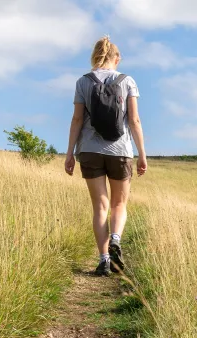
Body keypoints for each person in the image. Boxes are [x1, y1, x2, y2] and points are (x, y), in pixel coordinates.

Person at [64, 36, 147, 276]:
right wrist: (141, 154)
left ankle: (103, 261)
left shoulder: (83, 82)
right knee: (119, 203)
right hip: (120, 150)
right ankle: (116, 239)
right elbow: (134, 120)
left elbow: (77, 119)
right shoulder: (127, 80)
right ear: (117, 59)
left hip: (89, 150)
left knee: (100, 207)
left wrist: (70, 153)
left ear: (94, 57)